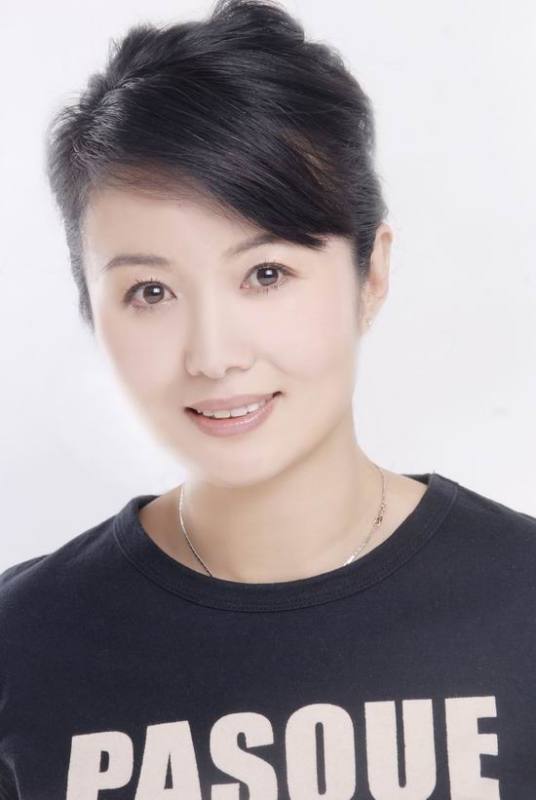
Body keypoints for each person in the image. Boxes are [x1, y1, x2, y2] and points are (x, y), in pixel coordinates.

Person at [1, 0, 535, 797]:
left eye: (266, 273)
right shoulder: (25, 643)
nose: (214, 356)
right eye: (151, 291)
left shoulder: (521, 603)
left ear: (371, 273)